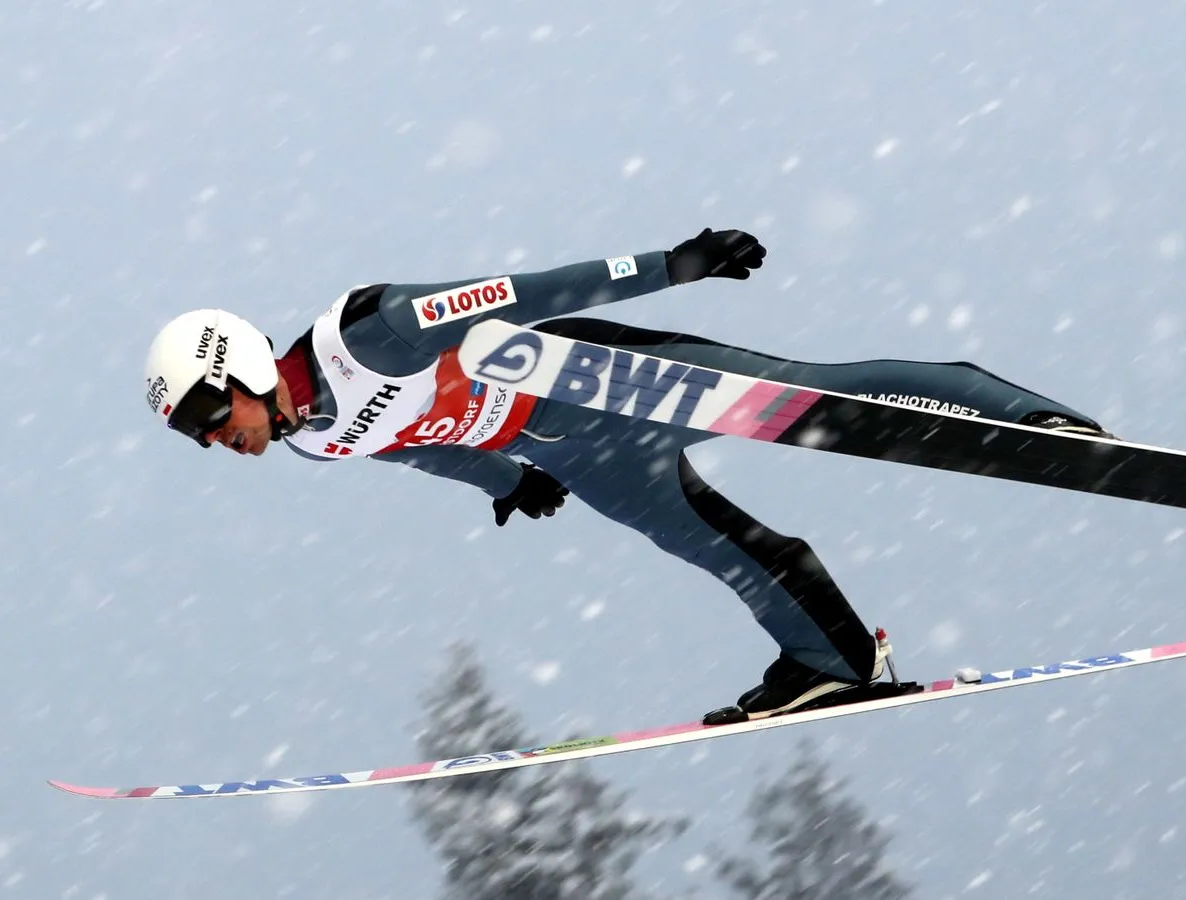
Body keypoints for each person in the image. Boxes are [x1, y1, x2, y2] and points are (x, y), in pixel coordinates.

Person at [142, 227, 1110, 717]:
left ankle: (1030, 419)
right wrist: (504, 482)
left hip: (599, 377)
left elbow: (534, 292)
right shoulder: (313, 437)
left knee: (817, 398)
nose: (215, 439)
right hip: (567, 447)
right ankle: (838, 664)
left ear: (243, 367)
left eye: (209, 413)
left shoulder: (372, 332)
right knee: (714, 548)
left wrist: (675, 263)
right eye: (198, 435)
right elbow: (416, 446)